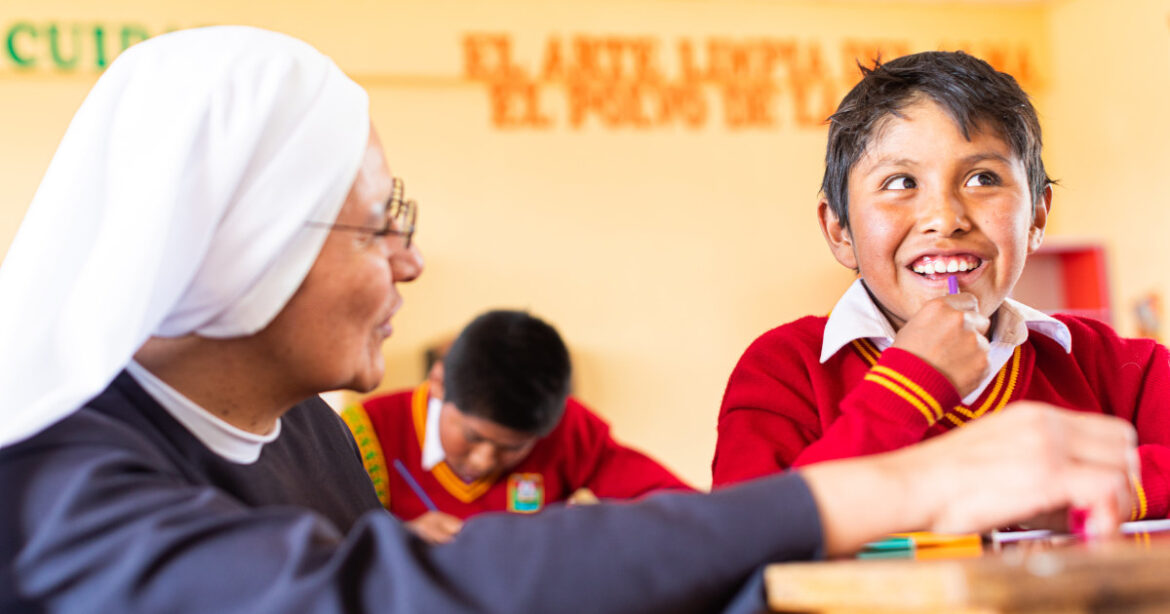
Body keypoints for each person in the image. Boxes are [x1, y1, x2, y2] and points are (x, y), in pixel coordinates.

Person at [0, 28, 1140, 614]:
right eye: (376, 221)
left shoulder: (298, 436)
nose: (413, 257)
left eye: (985, 181)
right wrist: (899, 480)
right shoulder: (52, 493)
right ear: (240, 240)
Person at [710, 51, 1169, 522]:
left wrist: (1095, 491)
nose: (946, 219)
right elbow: (744, 535)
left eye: (982, 178)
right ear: (839, 231)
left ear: (1036, 217)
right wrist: (909, 383)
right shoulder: (785, 372)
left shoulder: (1118, 369)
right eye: (900, 181)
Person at [343, 309, 693, 544]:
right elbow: (316, 555)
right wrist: (396, 542)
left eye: (512, 447)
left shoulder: (567, 428)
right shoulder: (363, 433)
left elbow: (676, 508)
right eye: (472, 437)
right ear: (438, 382)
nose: (484, 460)